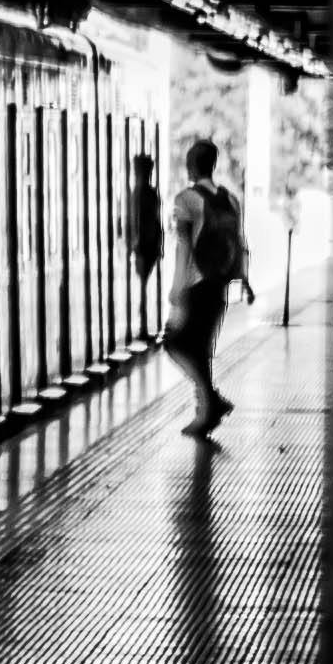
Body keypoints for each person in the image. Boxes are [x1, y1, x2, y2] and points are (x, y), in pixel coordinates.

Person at [167, 135, 248, 444]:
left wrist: (177, 287)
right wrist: (243, 279)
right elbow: (238, 242)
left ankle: (210, 401)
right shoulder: (230, 199)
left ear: (191, 164)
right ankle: (206, 412)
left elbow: (184, 248)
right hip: (220, 286)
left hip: (196, 284)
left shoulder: (185, 200)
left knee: (176, 344)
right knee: (200, 348)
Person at [123, 146, 165, 317]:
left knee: (143, 284)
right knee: (143, 285)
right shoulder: (147, 193)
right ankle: (142, 318)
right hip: (147, 245)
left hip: (146, 246)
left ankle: (143, 319)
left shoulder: (140, 193)